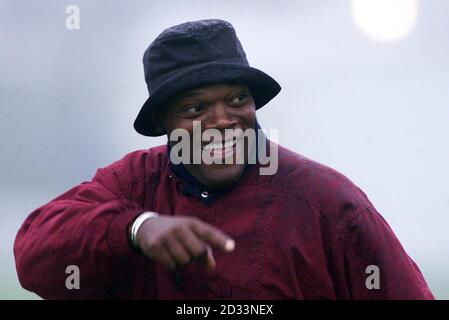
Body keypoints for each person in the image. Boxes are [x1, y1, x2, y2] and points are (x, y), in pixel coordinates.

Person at [14, 19, 434, 299]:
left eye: (237, 99)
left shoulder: (328, 202)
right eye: (196, 109)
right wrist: (137, 229)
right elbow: (34, 255)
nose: (223, 121)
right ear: (164, 123)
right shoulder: (132, 184)